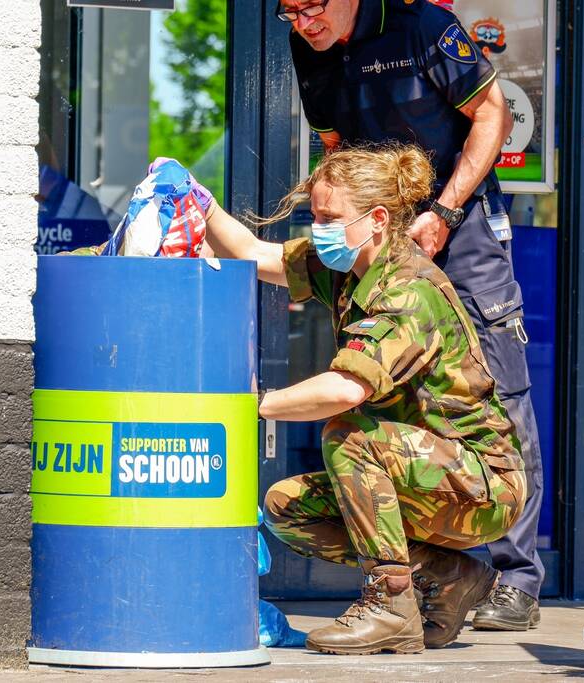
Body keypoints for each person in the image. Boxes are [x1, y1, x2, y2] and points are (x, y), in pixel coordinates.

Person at [279, 0, 546, 630]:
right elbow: (338, 153)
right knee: (381, 407)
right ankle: (444, 576)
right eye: (286, 12)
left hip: (461, 229)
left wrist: (445, 212)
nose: (301, 23)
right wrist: (327, 245)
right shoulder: (307, 47)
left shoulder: (422, 25)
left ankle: (516, 580)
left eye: (310, 7)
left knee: (499, 398)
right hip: (378, 238)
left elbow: (493, 115)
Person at [200, 144, 527, 654]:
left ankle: (390, 603)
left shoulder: (407, 290)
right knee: (289, 507)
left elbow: (345, 389)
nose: (319, 227)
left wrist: (250, 404)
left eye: (330, 217)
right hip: (425, 471)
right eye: (316, 215)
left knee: (350, 435)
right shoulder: (350, 266)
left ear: (376, 219)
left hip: (481, 483)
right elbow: (255, 254)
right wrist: (201, 203)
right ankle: (448, 576)